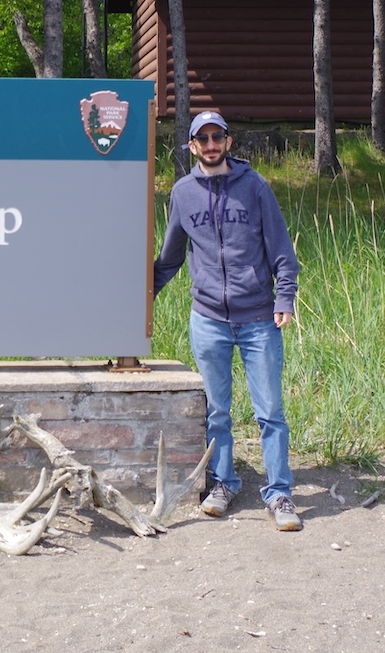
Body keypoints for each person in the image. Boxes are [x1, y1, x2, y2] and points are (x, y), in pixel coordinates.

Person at [152, 110, 303, 532]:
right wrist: (140, 296)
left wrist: (285, 296)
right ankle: (222, 483)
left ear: (229, 143)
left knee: (270, 411)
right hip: (208, 320)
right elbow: (171, 257)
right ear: (193, 146)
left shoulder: (255, 188)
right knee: (217, 411)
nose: (212, 144)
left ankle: (280, 493)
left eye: (219, 136)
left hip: (259, 318)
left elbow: (281, 250)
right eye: (204, 138)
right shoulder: (182, 194)